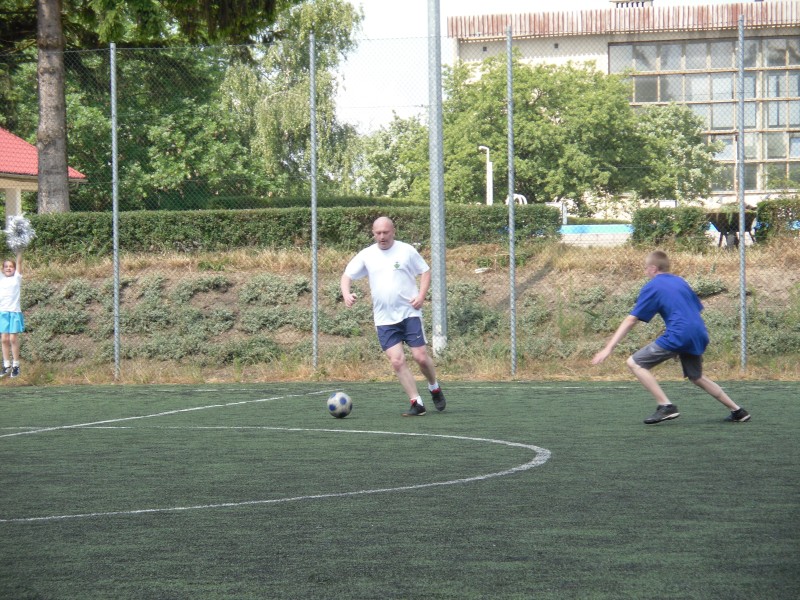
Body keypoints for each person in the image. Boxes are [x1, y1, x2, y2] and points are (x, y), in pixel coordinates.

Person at [591, 250, 750, 424]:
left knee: (635, 363)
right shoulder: (680, 281)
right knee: (697, 377)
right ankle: (738, 411)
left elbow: (631, 319)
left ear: (653, 268)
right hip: (699, 332)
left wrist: (608, 348)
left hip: (680, 334)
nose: (645, 272)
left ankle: (666, 406)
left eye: (645, 268)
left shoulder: (653, 286)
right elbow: (693, 309)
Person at [340, 216, 446, 416]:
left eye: (385, 232)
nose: (382, 236)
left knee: (420, 357)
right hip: (384, 319)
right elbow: (347, 276)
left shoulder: (406, 250)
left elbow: (425, 271)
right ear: (373, 234)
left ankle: (434, 387)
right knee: (397, 361)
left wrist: (421, 296)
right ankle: (417, 403)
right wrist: (346, 294)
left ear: (393, 232)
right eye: (378, 233)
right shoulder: (367, 255)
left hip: (409, 313)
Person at [0, 252, 24, 378]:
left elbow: (19, 261)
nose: (8, 268)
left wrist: (19, 249)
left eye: (11, 266)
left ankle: (16, 365)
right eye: (6, 266)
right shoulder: (1, 278)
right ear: (3, 269)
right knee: (4, 339)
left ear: (14, 269)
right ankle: (6, 365)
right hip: (3, 312)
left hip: (14, 312)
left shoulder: (16, 278)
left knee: (13, 339)